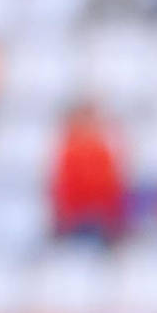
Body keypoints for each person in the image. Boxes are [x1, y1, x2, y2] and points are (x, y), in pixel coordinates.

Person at [49, 102, 128, 245]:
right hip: (75, 222)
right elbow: (62, 191)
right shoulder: (68, 152)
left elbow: (111, 188)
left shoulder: (102, 151)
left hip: (101, 222)